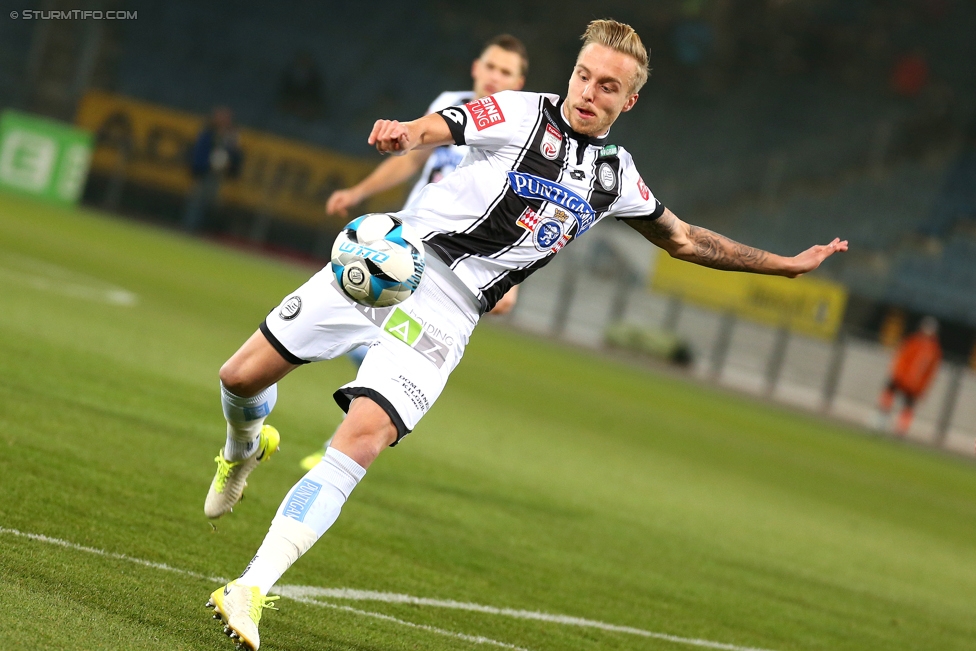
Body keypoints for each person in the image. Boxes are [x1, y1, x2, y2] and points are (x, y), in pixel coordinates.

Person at [204, 19, 848, 650]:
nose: (588, 93)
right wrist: (407, 134)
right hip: (391, 262)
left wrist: (784, 264)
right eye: (583, 76)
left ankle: (251, 588)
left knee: (363, 437)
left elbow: (683, 239)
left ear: (630, 100)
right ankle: (244, 446)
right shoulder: (522, 114)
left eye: (606, 87)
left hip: (447, 316)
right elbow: (447, 126)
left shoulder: (615, 178)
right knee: (240, 377)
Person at [294, 35, 530, 470]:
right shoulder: (451, 105)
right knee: (362, 313)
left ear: (519, 82)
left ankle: (344, 443)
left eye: (506, 72)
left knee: (386, 335)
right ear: (476, 68)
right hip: (408, 242)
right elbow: (409, 160)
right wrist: (359, 191)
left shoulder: (523, 132)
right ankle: (319, 415)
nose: (496, 78)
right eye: (491, 67)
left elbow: (525, 213)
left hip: (455, 259)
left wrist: (506, 280)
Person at [876, 316, 942, 435]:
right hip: (904, 377)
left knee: (907, 404)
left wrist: (920, 386)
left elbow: (929, 372)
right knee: (891, 393)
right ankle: (882, 418)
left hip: (911, 382)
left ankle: (900, 427)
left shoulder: (931, 349)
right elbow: (903, 357)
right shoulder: (916, 342)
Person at [182, 107, 243, 233]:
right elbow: (199, 151)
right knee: (197, 200)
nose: (223, 120)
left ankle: (203, 231)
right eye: (220, 117)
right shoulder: (208, 132)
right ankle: (188, 229)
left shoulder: (231, 135)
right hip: (205, 171)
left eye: (225, 118)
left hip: (217, 174)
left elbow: (234, 155)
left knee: (211, 203)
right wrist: (199, 167)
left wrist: (230, 165)